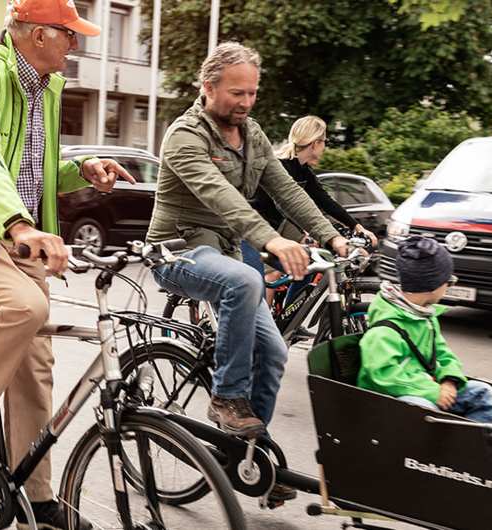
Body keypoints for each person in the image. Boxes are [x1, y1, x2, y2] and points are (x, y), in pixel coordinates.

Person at [0, 1, 133, 528]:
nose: (75, 45)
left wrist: (82, 169)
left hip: (22, 239)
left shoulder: (45, 86)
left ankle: (36, 497)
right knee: (22, 308)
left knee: (36, 373)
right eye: (68, 35)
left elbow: (33, 170)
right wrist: (18, 223)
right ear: (38, 35)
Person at [146, 42, 351, 502]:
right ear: (209, 87)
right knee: (245, 278)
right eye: (237, 93)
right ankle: (226, 396)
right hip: (176, 251)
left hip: (225, 254)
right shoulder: (184, 135)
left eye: (252, 93)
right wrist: (271, 239)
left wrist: (333, 235)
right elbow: (222, 196)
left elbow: (287, 190)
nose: (245, 102)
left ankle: (249, 458)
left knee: (276, 353)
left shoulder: (252, 133)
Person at [357, 236, 492, 423]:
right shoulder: (384, 330)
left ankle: (478, 447)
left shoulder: (426, 317)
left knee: (482, 393)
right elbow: (384, 376)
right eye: (450, 281)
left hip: (427, 387)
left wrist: (449, 380)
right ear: (433, 285)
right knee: (426, 411)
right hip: (390, 398)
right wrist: (433, 392)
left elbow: (441, 353)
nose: (449, 285)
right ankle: (440, 450)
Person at [242, 115, 378, 306]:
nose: (325, 147)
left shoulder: (303, 170)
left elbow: (326, 202)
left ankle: (288, 322)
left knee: (307, 268)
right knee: (260, 288)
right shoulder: (279, 165)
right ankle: (261, 330)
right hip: (251, 230)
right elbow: (283, 206)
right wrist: (305, 234)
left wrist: (357, 227)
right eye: (325, 141)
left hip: (278, 226)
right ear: (316, 143)